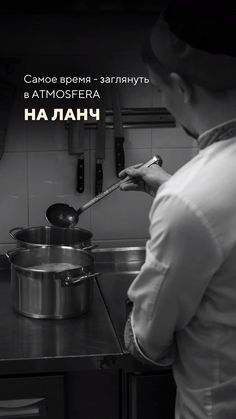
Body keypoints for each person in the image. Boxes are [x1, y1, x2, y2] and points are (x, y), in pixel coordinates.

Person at [119, 1, 236, 418]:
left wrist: (132, 308)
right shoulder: (194, 194)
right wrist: (171, 188)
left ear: (179, 86)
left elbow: (148, 346)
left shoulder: (191, 197)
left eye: (159, 89)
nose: (165, 102)